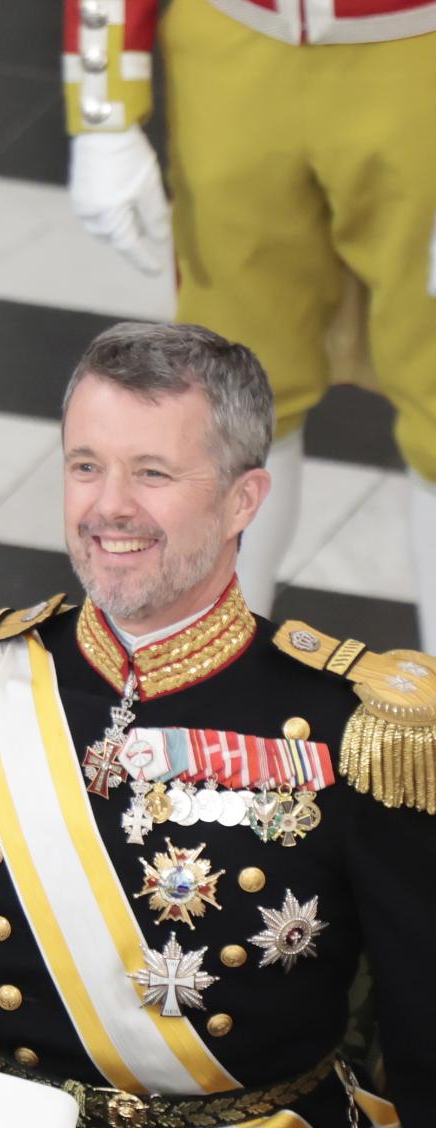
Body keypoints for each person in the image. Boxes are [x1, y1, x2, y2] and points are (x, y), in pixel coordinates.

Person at [0, 322, 436, 1128]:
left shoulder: (349, 724)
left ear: (243, 500)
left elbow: (425, 1011)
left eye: (152, 472)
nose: (109, 506)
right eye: (85, 466)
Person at [62, 0, 436, 650]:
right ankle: (204, 697)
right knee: (230, 401)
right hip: (233, 48)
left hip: (417, 55)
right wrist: (104, 109)